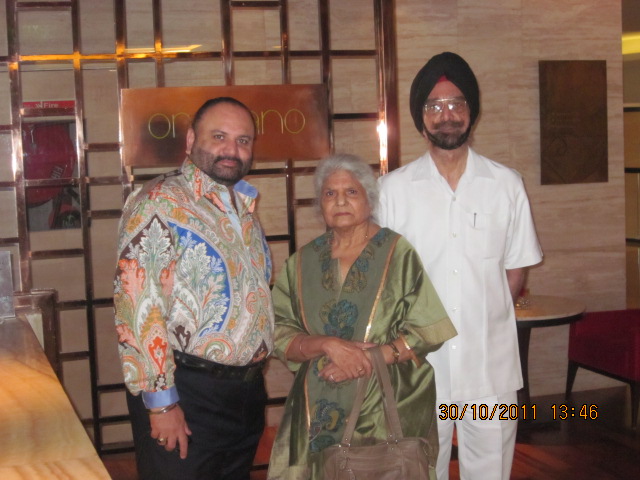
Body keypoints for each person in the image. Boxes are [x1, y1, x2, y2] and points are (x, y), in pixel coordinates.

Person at [376, 52, 544, 479]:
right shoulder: (392, 191)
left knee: (490, 470)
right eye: (434, 106)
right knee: (419, 470)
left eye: (456, 103)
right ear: (420, 118)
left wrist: (484, 315)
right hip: (418, 369)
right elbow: (383, 280)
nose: (446, 115)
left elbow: (515, 268)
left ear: (472, 111)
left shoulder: (506, 185)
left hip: (490, 367)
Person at [267, 153, 457, 480]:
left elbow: (427, 329)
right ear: (320, 204)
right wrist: (326, 345)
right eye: (330, 193)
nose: (340, 200)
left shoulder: (396, 253)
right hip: (316, 406)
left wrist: (367, 359)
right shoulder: (302, 262)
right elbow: (277, 330)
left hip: (385, 403)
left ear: (369, 200)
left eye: (351, 192)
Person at [113, 96, 274, 480]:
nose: (231, 150)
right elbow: (137, 304)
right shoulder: (160, 201)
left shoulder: (243, 209)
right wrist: (162, 403)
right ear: (190, 141)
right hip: (186, 394)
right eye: (219, 136)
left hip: (243, 397)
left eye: (243, 140)